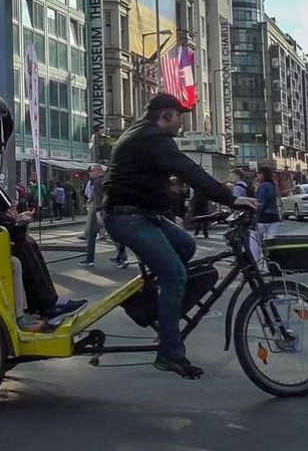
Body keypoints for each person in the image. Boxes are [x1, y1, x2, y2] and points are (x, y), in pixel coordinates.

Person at [102, 93, 257, 380]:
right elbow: (188, 170)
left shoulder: (144, 133)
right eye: (179, 116)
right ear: (164, 117)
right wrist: (230, 199)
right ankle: (169, 353)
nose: (181, 123)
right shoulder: (152, 139)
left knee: (186, 245)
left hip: (145, 215)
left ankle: (158, 303)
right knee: (175, 275)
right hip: (128, 218)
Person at [80, 164, 106, 268]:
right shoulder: (106, 180)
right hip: (108, 209)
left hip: (97, 210)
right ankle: (122, 258)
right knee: (115, 234)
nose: (89, 173)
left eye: (91, 171)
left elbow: (98, 198)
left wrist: (98, 211)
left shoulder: (97, 182)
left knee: (91, 235)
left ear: (97, 170)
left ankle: (89, 260)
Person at [254, 167, 280, 241]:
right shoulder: (272, 185)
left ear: (264, 174)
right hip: (274, 216)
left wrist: (256, 212)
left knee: (258, 240)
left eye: (259, 173)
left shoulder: (264, 186)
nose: (257, 174)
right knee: (271, 240)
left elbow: (261, 202)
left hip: (264, 217)